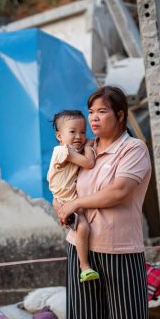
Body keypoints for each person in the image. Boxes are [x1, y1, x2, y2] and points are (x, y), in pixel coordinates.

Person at [55, 86, 156, 319]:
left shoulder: (134, 149)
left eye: (102, 111)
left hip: (122, 247)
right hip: (82, 246)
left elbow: (119, 192)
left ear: (121, 114)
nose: (94, 118)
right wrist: (62, 205)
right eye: (91, 112)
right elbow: (61, 183)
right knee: (86, 318)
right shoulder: (83, 148)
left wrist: (76, 204)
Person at [46, 110, 99, 283]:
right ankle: (84, 267)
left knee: (79, 228)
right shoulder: (63, 151)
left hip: (64, 198)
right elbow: (89, 163)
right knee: (83, 228)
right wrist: (90, 148)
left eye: (83, 132)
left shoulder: (72, 150)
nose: (79, 136)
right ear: (59, 136)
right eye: (72, 132)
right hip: (64, 201)